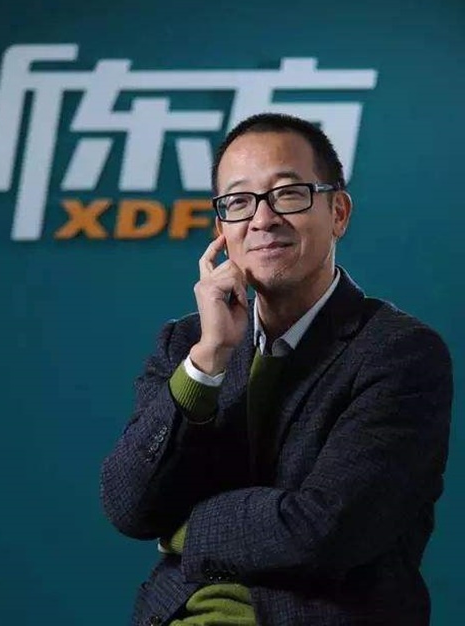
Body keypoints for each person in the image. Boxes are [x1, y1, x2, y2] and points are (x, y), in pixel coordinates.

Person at [100, 113, 453, 625]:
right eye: (239, 202)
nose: (262, 220)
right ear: (221, 229)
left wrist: (187, 531)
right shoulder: (186, 343)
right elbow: (129, 506)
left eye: (288, 194)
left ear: (338, 212)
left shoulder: (398, 353)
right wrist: (208, 360)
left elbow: (324, 530)